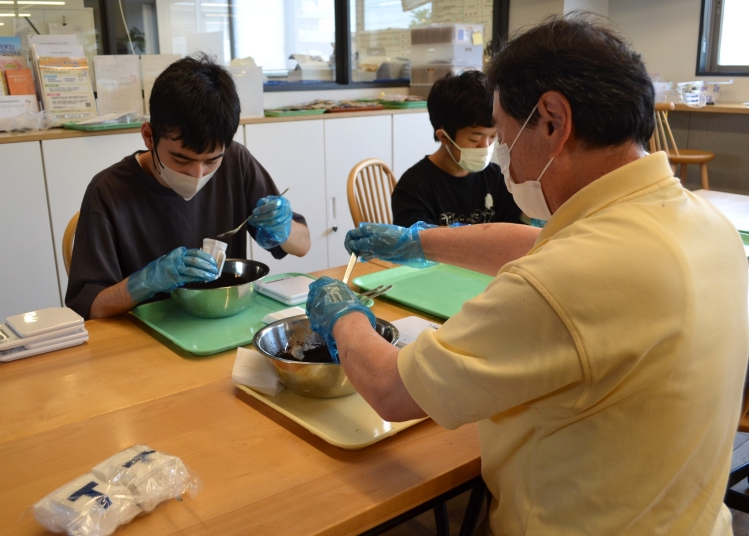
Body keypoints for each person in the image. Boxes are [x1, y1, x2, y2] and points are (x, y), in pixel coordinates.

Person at [306, 14, 748, 536]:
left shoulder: (566, 282)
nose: (506, 163)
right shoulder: (706, 225)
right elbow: (542, 244)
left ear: (554, 121)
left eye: (507, 138)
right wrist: (418, 240)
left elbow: (391, 389)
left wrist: (344, 317)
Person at [66, 55, 310, 320]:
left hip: (220, 319)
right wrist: (147, 281)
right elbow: (90, 308)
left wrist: (283, 228)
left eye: (211, 160)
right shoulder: (108, 191)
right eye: (181, 159)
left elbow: (302, 246)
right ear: (149, 136)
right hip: (144, 338)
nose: (197, 174)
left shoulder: (236, 161)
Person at [392, 70, 525, 228]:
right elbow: (416, 245)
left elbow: (513, 233)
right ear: (444, 137)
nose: (485, 146)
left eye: (493, 136)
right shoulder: (414, 187)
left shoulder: (497, 179)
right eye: (474, 139)